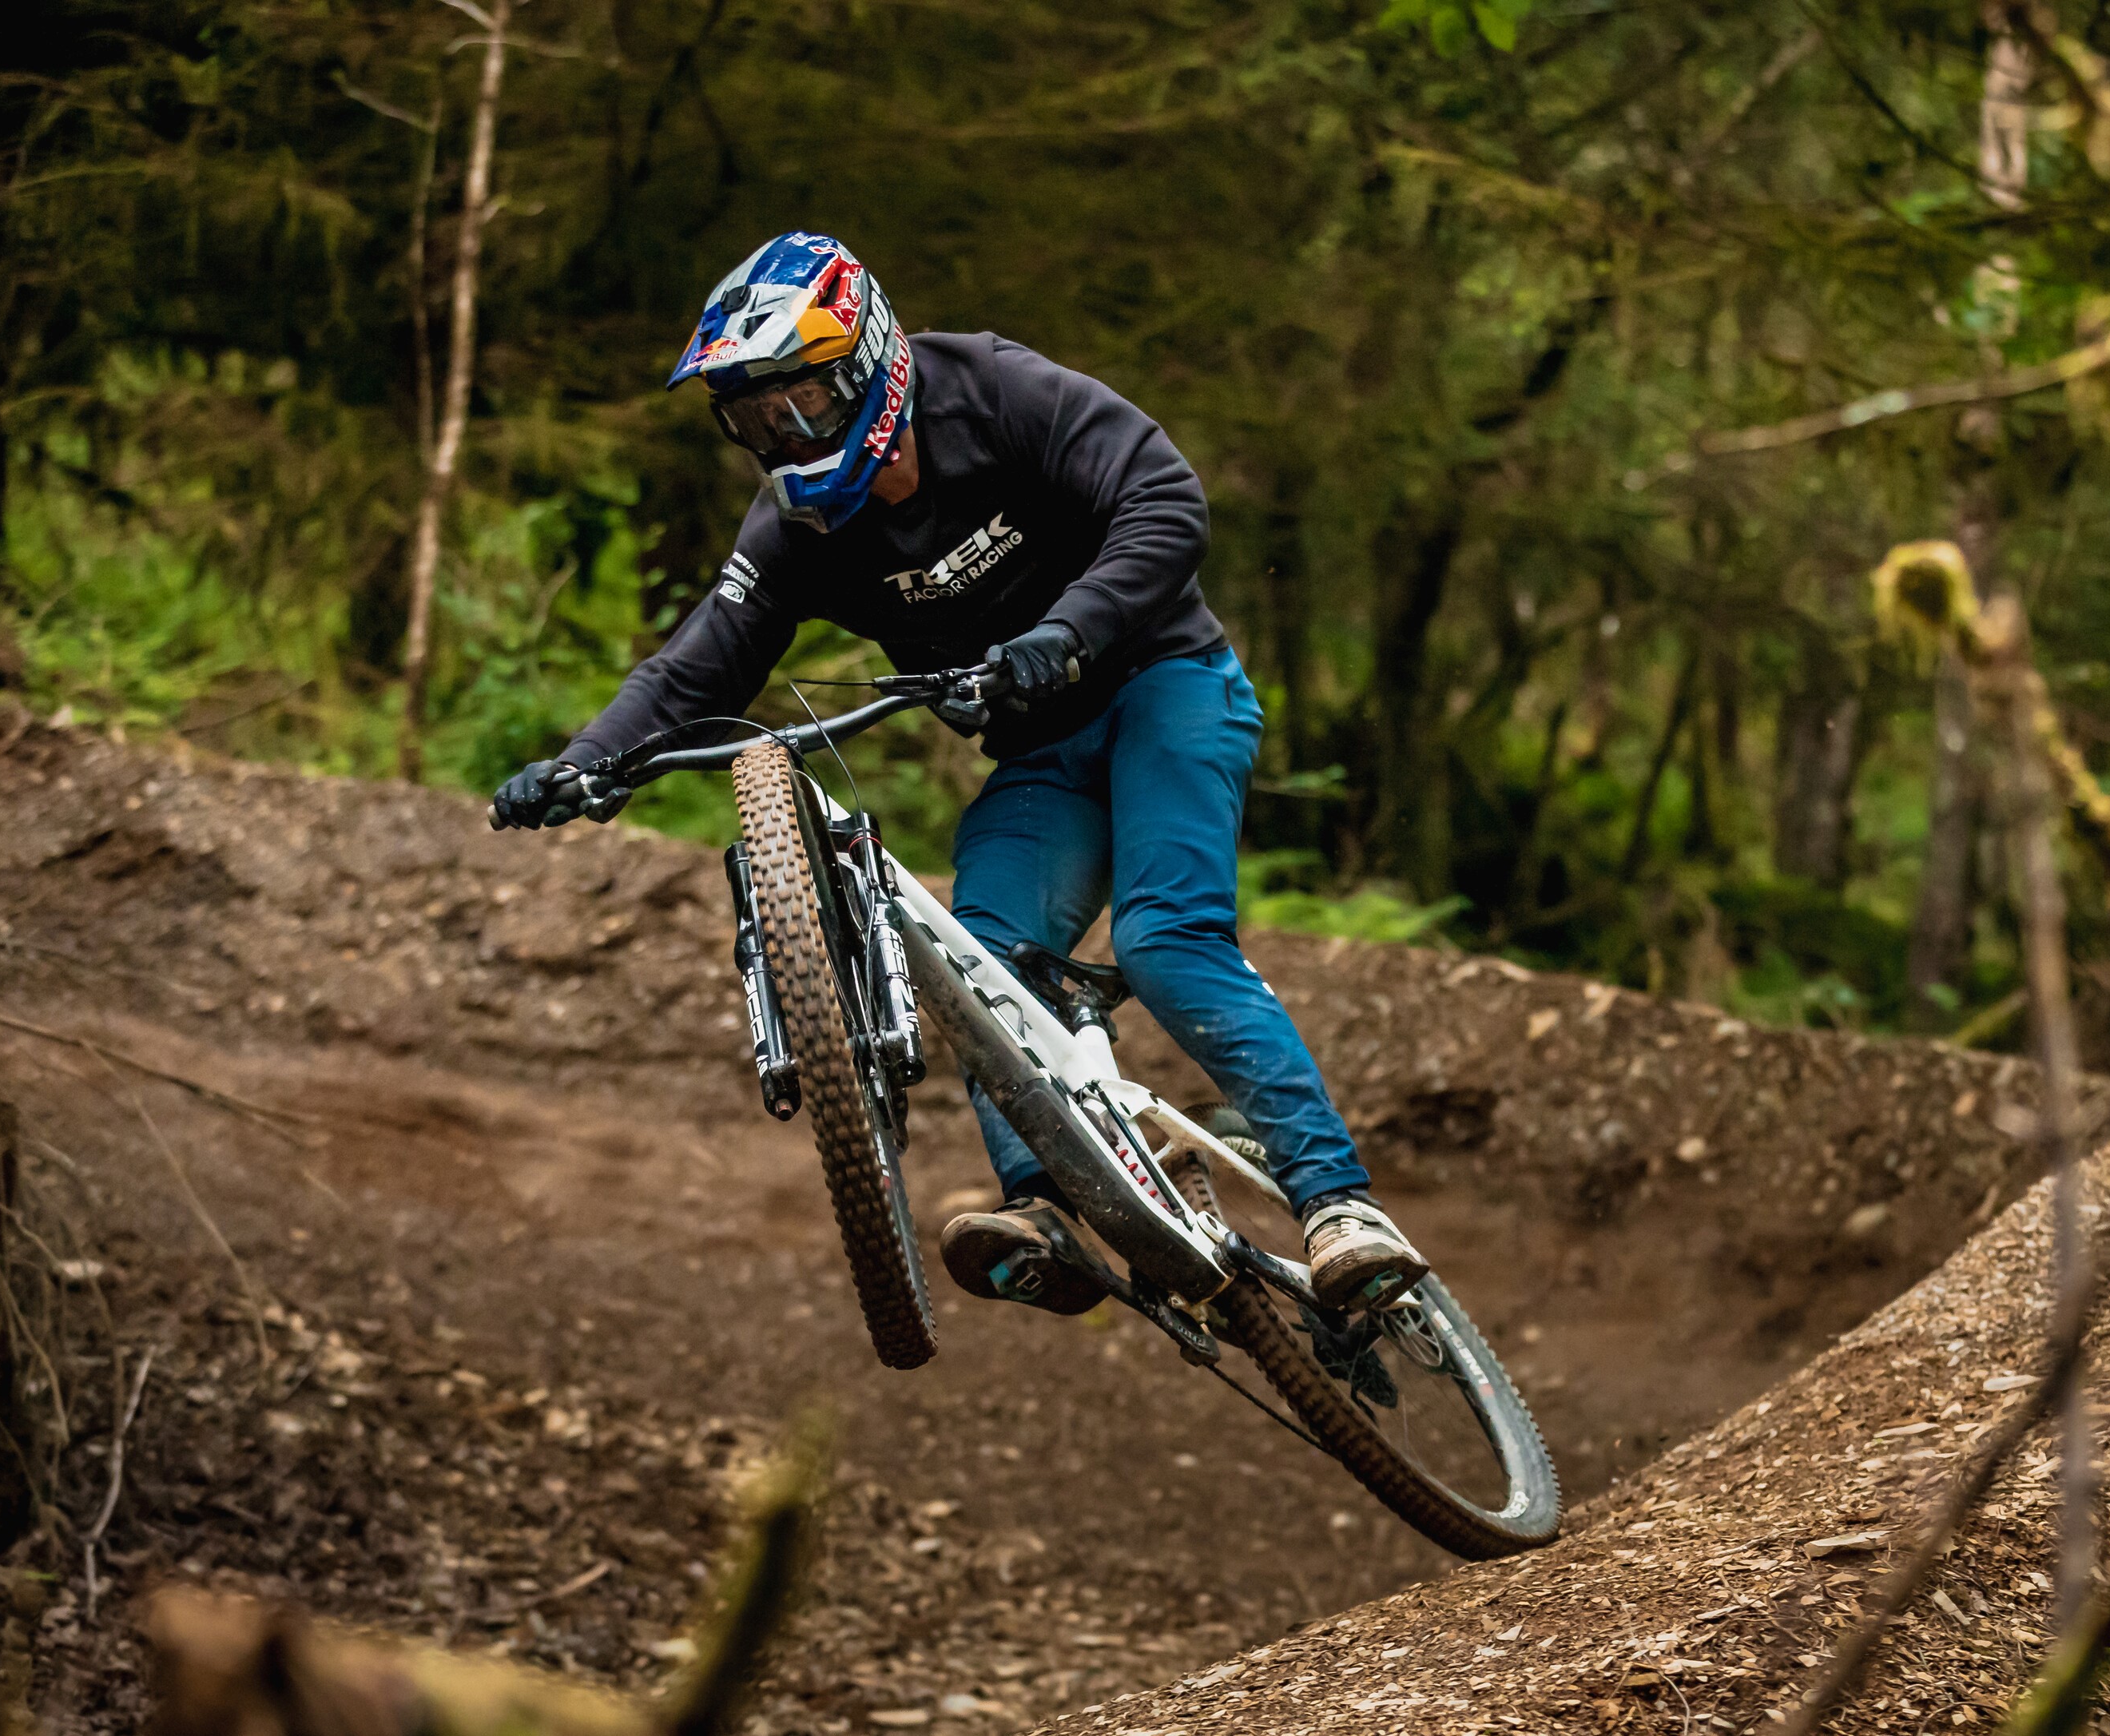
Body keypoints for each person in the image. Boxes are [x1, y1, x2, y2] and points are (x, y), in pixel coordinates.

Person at [488, 231, 1421, 1317]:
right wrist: (585, 763)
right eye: (753, 420)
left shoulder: (995, 391)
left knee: (1164, 933)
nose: (781, 437)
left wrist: (1067, 633)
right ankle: (1044, 1208)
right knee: (981, 960)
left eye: (797, 405)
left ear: (866, 365)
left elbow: (1166, 498)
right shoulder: (795, 527)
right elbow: (703, 661)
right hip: (1040, 757)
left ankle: (1340, 1202)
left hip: (1167, 682)